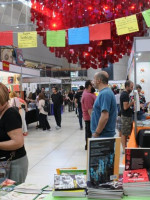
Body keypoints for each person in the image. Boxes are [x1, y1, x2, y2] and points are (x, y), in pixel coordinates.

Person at [0, 83, 28, 184]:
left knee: (11, 194)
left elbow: (18, 142)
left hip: (14, 163)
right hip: (4, 163)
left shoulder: (10, 114)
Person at [91, 71, 117, 138]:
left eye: (94, 79)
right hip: (103, 134)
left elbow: (105, 116)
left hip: (103, 135)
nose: (92, 82)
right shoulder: (104, 93)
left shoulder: (105, 94)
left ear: (99, 80)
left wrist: (97, 133)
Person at [81, 80, 96, 150]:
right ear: (89, 86)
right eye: (93, 84)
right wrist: (94, 120)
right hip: (90, 118)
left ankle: (88, 145)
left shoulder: (88, 93)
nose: (94, 85)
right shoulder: (87, 95)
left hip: (90, 117)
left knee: (88, 132)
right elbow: (90, 110)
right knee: (89, 132)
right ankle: (88, 145)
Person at [120, 80, 134, 153]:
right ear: (127, 86)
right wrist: (132, 103)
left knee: (125, 133)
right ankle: (124, 149)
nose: (132, 88)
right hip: (125, 116)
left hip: (126, 116)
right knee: (124, 133)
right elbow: (125, 107)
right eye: (131, 87)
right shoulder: (125, 95)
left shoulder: (125, 94)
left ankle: (125, 147)